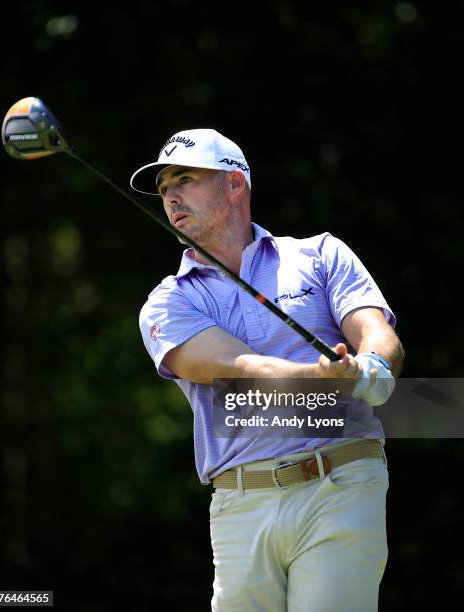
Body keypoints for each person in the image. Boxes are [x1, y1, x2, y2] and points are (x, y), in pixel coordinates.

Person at [130, 128, 404, 612]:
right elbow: (240, 369)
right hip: (241, 500)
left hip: (339, 482)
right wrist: (328, 379)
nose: (170, 195)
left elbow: (374, 329)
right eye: (164, 187)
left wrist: (375, 366)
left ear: (235, 184)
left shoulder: (320, 254)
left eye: (186, 179)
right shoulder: (168, 301)